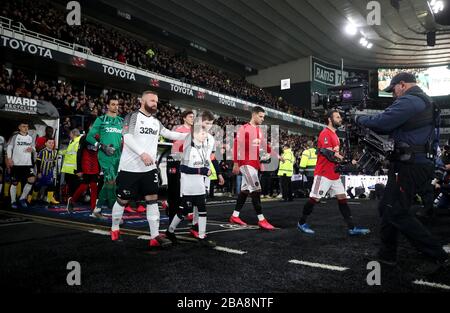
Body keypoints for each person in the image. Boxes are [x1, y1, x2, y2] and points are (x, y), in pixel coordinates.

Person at [356, 72, 449, 270]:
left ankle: (436, 253)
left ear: (403, 85)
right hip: (412, 164)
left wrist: (358, 119)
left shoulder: (411, 100)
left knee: (396, 211)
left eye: (394, 90)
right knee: (387, 208)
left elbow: (383, 122)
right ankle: (386, 254)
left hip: (410, 165)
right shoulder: (422, 101)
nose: (393, 95)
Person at [110, 91, 188, 249]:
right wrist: (142, 153)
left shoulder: (156, 122)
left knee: (152, 199)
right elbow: (128, 137)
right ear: (142, 101)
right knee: (122, 200)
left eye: (157, 101)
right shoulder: (132, 117)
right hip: (129, 168)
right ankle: (115, 228)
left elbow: (168, 134)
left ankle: (154, 236)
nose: (155, 103)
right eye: (152, 100)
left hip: (149, 169)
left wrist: (189, 136)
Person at [297, 110, 370, 236]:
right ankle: (301, 223)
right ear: (330, 119)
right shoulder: (325, 134)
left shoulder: (335, 135)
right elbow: (329, 155)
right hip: (323, 174)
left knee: (342, 199)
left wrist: (348, 160)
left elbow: (335, 155)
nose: (340, 119)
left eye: (340, 117)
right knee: (314, 199)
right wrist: (346, 162)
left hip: (334, 173)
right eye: (337, 117)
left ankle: (352, 228)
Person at [165, 121, 216, 247]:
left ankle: (202, 236)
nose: (205, 135)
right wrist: (201, 170)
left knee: (203, 210)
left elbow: (204, 166)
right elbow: (183, 168)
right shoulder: (189, 149)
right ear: (196, 134)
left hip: (199, 186)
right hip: (189, 187)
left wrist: (207, 171)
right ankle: (170, 231)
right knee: (184, 211)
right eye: (203, 133)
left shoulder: (203, 149)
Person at [229, 106, 276, 230]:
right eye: (261, 116)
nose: (262, 119)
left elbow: (265, 145)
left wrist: (278, 155)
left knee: (245, 190)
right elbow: (236, 145)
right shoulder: (244, 128)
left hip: (254, 164)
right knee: (256, 190)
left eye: (263, 117)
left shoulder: (259, 131)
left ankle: (235, 216)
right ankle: (261, 219)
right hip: (246, 163)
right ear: (254, 115)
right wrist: (235, 163)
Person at [86, 98, 123, 217]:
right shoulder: (100, 119)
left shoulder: (121, 121)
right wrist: (101, 146)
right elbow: (89, 137)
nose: (115, 107)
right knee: (111, 180)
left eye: (117, 105)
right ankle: (115, 211)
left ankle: (97, 209)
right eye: (113, 104)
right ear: (107, 106)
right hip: (105, 154)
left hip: (118, 155)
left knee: (110, 181)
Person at [66, 124, 100, 215]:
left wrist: (100, 168)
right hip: (86, 165)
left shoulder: (99, 138)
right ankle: (72, 201)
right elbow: (79, 153)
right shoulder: (84, 138)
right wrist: (79, 169)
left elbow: (100, 154)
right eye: (93, 127)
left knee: (94, 187)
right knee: (84, 186)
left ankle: (93, 209)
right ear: (89, 128)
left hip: (95, 165)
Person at [167, 110, 194, 222]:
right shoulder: (179, 130)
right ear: (184, 118)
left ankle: (186, 210)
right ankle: (175, 208)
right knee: (178, 187)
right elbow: (176, 148)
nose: (192, 118)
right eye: (190, 116)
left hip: (190, 162)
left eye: (193, 117)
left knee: (189, 187)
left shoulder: (194, 131)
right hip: (179, 161)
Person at [6, 121, 36, 209]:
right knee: (15, 182)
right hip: (16, 163)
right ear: (19, 127)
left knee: (31, 180)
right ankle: (13, 201)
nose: (25, 128)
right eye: (23, 126)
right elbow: (9, 147)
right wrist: (9, 158)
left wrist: (32, 149)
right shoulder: (15, 137)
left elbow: (33, 147)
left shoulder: (30, 137)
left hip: (27, 163)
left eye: (27, 126)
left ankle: (22, 198)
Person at [34, 138, 59, 205]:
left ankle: (48, 200)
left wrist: (53, 172)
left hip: (49, 172)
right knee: (37, 185)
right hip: (41, 172)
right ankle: (33, 198)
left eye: (52, 143)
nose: (51, 144)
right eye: (49, 143)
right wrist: (38, 172)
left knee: (51, 185)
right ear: (46, 143)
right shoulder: (42, 151)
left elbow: (54, 163)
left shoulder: (55, 152)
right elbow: (38, 162)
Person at [60, 129, 82, 200]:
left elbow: (79, 155)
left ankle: (73, 199)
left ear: (74, 134)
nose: (69, 135)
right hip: (69, 168)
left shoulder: (78, 142)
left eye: (70, 134)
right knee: (70, 185)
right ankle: (70, 198)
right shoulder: (72, 141)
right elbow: (69, 152)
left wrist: (79, 169)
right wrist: (60, 152)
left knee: (74, 185)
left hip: (74, 168)